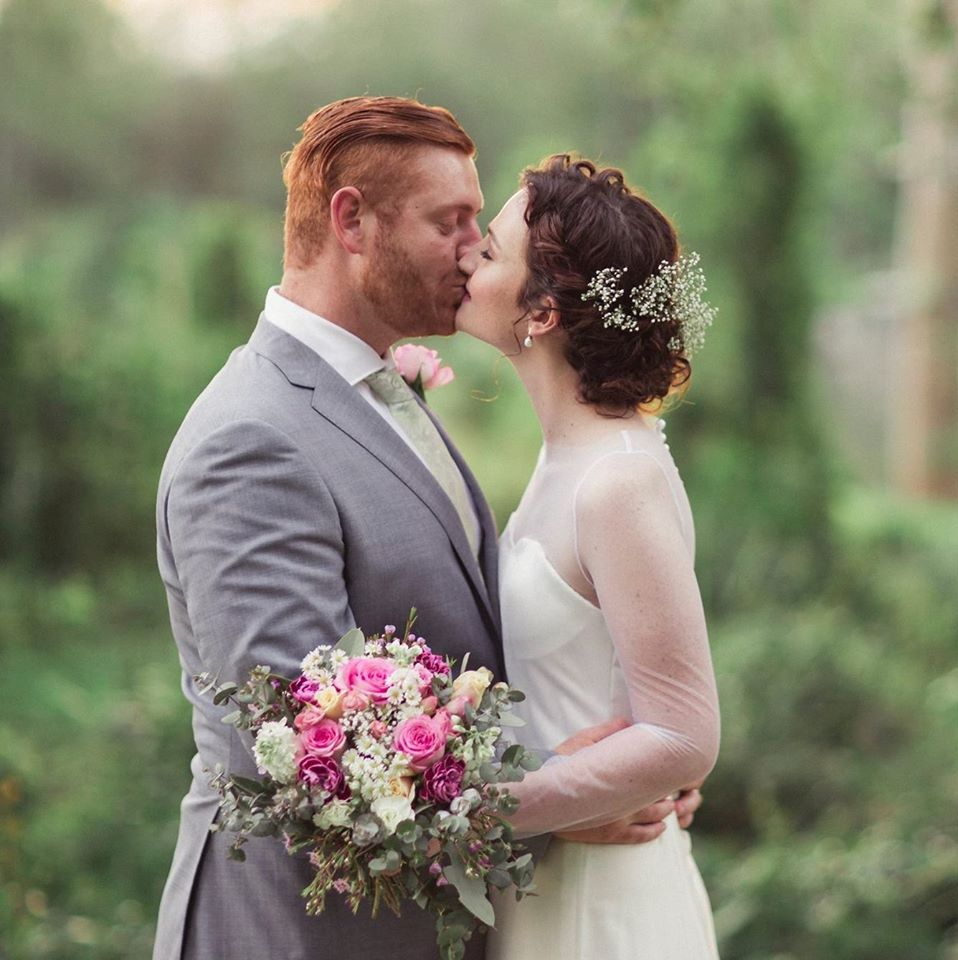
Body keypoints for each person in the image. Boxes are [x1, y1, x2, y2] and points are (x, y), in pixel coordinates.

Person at [151, 98, 696, 960]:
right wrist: (552, 801)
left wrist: (626, 761)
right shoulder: (250, 438)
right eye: (451, 222)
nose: (474, 248)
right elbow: (304, 746)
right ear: (352, 221)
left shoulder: (383, 394)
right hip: (306, 935)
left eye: (481, 224)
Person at [456, 155, 722, 959]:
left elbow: (683, 735)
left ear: (542, 310)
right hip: (550, 886)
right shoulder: (570, 458)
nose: (467, 256)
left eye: (490, 250)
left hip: (599, 910)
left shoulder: (616, 482)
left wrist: (482, 811)